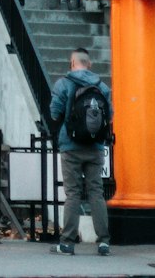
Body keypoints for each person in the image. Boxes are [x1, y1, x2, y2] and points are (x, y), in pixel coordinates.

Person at [49, 47, 112, 258]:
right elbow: (109, 115)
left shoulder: (64, 84)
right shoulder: (102, 87)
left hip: (70, 146)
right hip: (95, 148)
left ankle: (67, 243)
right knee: (96, 193)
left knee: (73, 194)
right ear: (90, 64)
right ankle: (103, 242)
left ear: (72, 63)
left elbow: (54, 112)